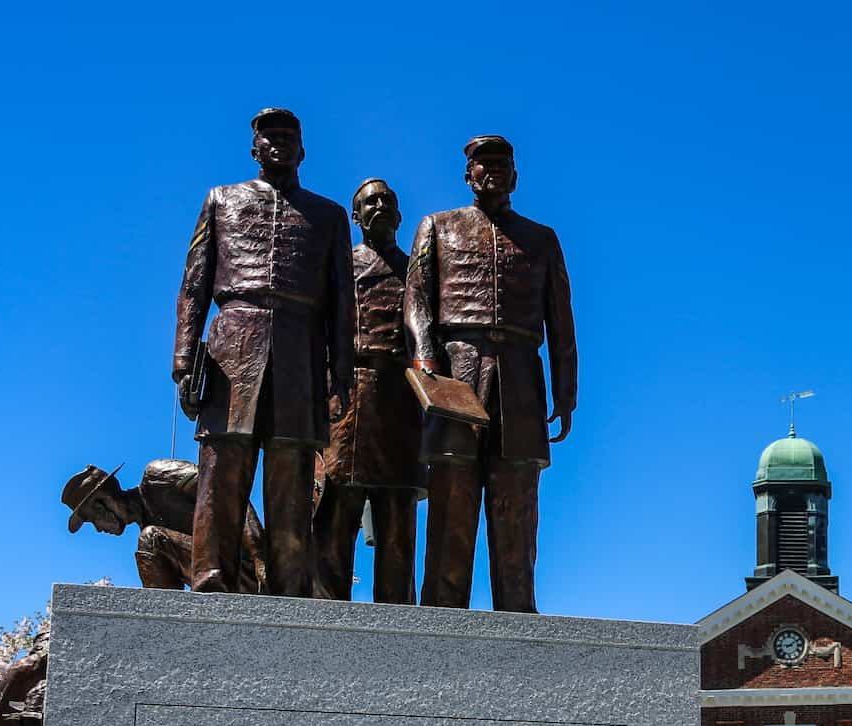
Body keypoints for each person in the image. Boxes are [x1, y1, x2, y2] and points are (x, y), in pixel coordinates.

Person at [173, 106, 354, 597]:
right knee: (221, 473)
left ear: (303, 149)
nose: (277, 144)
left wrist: (341, 376)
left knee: (291, 478)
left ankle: (290, 589)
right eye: (268, 137)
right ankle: (211, 579)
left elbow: (343, 306)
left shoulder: (330, 215)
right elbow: (195, 285)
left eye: (287, 137)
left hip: (300, 350)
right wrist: (184, 359)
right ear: (254, 148)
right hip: (233, 344)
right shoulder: (221, 200)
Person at [404, 134, 576, 612]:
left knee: (516, 502)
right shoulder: (438, 226)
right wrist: (424, 359)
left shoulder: (541, 239)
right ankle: (441, 609)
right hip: (457, 372)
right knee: (452, 498)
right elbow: (416, 298)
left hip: (521, 375)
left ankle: (518, 609)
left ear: (516, 177)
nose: (493, 171)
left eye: (502, 164)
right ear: (468, 175)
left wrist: (566, 390)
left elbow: (561, 320)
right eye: (483, 164)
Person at [313, 179, 424, 603]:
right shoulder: (339, 268)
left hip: (401, 400)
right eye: (368, 202)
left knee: (397, 516)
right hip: (347, 396)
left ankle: (397, 619)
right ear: (355, 217)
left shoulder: (417, 272)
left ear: (399, 217)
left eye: (387, 201)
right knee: (337, 511)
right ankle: (326, 613)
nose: (379, 206)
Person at [62, 460, 264, 591]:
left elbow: (226, 493)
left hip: (244, 571)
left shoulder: (158, 476)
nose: (98, 529)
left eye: (92, 520)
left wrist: (260, 557)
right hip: (223, 586)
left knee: (151, 539)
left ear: (102, 505)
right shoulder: (149, 543)